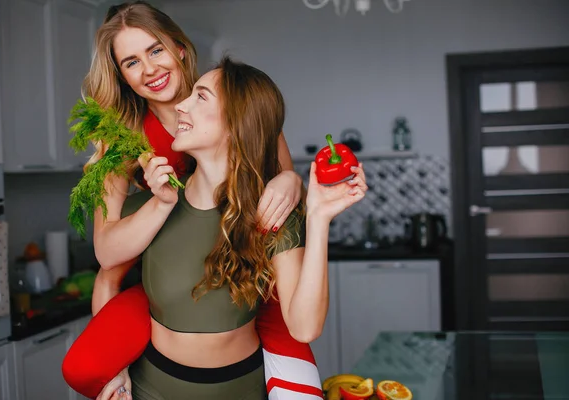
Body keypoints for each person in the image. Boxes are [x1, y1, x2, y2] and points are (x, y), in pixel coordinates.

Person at [61, 2, 321, 399]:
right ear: (122, 77)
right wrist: (117, 361)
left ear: (179, 47)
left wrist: (290, 180)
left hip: (245, 263)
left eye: (155, 50)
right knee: (86, 367)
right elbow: (109, 263)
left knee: (299, 383)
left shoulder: (230, 99)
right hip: (170, 262)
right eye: (131, 62)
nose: (148, 69)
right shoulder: (123, 139)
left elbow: (277, 184)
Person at [121, 56, 367, 399]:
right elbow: (108, 281)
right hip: (151, 389)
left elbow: (304, 326)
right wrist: (112, 368)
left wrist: (319, 217)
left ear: (236, 124)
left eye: (201, 97)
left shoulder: (272, 211)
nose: (181, 105)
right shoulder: (152, 206)